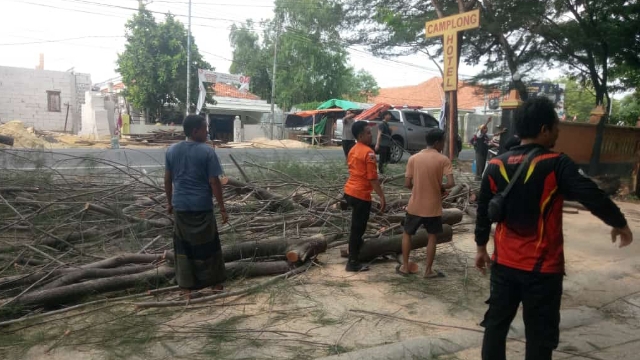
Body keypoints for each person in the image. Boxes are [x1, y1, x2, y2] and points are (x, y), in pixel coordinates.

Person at [474, 97, 633, 360]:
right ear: (544, 129)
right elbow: (590, 194)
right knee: (539, 335)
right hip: (543, 270)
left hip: (503, 265)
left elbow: (483, 211)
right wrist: (618, 222)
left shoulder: (495, 165)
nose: (558, 132)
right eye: (556, 127)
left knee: (496, 326)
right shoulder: (556, 163)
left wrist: (481, 247)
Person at [165, 115, 229, 299]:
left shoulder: (171, 151)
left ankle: (186, 287)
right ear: (195, 131)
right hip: (202, 206)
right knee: (210, 246)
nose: (207, 131)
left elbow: (168, 179)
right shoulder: (207, 152)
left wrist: (169, 203)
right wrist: (222, 208)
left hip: (181, 207)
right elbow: (214, 182)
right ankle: (215, 283)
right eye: (205, 128)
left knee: (184, 248)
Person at [398, 129, 455, 278]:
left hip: (415, 204)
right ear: (437, 143)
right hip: (433, 207)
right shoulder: (443, 159)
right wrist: (440, 187)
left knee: (407, 234)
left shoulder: (414, 158)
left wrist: (417, 189)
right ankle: (428, 271)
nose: (443, 144)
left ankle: (405, 266)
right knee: (432, 237)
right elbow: (451, 183)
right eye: (443, 141)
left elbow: (407, 183)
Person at [343, 121, 386, 272]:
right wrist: (381, 197)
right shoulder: (369, 153)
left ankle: (355, 253)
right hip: (360, 195)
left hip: (349, 192)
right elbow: (372, 178)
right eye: (368, 132)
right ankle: (352, 262)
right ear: (360, 136)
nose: (371, 134)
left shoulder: (353, 149)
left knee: (356, 228)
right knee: (357, 229)